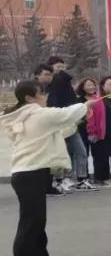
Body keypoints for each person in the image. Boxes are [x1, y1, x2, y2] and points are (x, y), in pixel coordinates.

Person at [1, 80, 92, 256]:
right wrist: (85, 105)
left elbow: (59, 130)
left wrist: (80, 116)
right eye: (41, 93)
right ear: (29, 97)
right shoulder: (37, 114)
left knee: (37, 222)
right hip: (29, 173)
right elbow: (65, 114)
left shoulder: (28, 116)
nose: (45, 96)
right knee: (30, 223)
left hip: (30, 173)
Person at [45, 57, 90, 194]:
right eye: (58, 67)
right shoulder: (50, 84)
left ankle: (81, 179)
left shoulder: (66, 83)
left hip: (70, 123)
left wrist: (80, 116)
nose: (61, 70)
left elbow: (73, 101)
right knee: (60, 153)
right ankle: (59, 180)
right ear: (50, 68)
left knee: (81, 152)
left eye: (63, 67)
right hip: (58, 124)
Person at [33, 65, 63, 197]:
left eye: (50, 75)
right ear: (37, 75)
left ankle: (47, 186)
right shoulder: (31, 88)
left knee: (49, 158)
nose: (48, 77)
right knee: (38, 158)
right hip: (36, 127)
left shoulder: (52, 88)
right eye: (45, 74)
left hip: (50, 125)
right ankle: (38, 186)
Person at [70, 78, 99, 191]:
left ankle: (95, 178)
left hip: (96, 131)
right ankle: (82, 178)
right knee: (82, 154)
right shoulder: (78, 101)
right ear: (82, 87)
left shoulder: (98, 99)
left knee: (96, 155)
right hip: (82, 130)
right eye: (88, 85)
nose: (91, 87)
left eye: (92, 85)